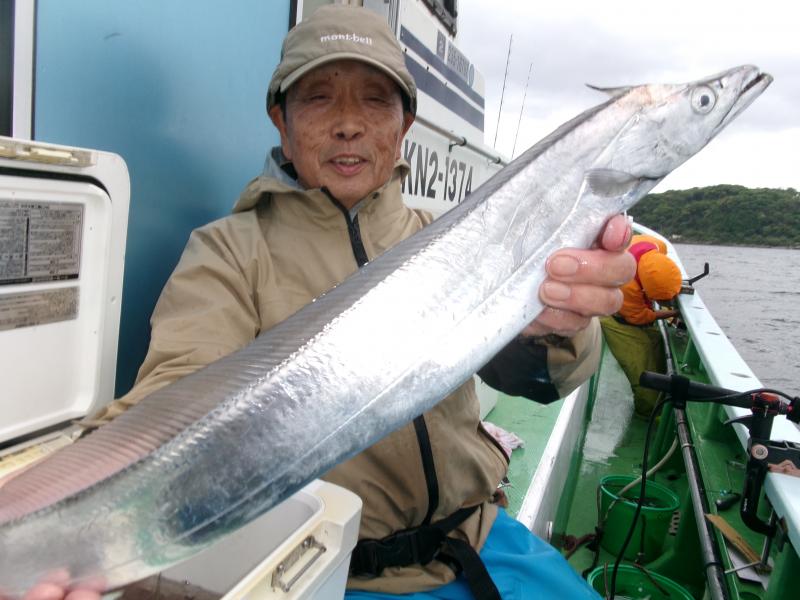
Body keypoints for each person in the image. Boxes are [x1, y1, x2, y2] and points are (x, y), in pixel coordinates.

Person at [18, 5, 635, 600]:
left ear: (404, 126)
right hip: (338, 570)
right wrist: (69, 499)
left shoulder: (449, 238)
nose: (348, 123)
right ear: (280, 122)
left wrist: (555, 323)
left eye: (375, 100)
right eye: (318, 98)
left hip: (485, 540)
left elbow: (539, 378)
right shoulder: (229, 251)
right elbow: (178, 390)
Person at [600, 234, 682, 418]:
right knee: (640, 364)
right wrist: (673, 313)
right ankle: (647, 413)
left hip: (633, 307)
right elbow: (639, 317)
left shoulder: (657, 246)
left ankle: (662, 394)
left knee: (657, 343)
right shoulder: (625, 286)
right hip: (611, 315)